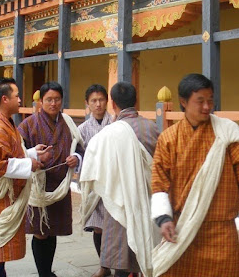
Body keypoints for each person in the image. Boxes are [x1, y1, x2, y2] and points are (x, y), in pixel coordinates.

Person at [151, 73, 239, 277]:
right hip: (183, 228)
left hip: (220, 231)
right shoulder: (168, 139)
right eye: (200, 101)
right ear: (183, 102)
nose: (207, 106)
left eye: (210, 100)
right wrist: (163, 218)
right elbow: (159, 183)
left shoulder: (226, 133)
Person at [0, 77, 52, 277]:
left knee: (0, 250)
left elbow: (12, 154)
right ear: (5, 99)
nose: (20, 100)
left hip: (6, 196)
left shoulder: (5, 122)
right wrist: (30, 164)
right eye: (16, 96)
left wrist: (32, 153)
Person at [80, 82, 160, 277]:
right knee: (147, 246)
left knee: (120, 257)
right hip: (148, 199)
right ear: (136, 101)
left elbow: (94, 169)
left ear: (113, 103)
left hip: (119, 201)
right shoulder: (152, 128)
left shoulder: (109, 133)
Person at [18, 82, 85, 277]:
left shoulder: (68, 123)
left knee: (52, 228)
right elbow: (18, 151)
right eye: (49, 100)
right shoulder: (29, 124)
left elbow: (80, 148)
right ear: (41, 101)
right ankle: (44, 273)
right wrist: (35, 157)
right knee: (40, 230)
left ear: (62, 101)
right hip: (38, 186)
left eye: (57, 99)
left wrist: (76, 158)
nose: (53, 103)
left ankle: (47, 271)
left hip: (60, 185)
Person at [78, 84, 114, 277]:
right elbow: (79, 154)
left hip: (113, 182)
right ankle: (104, 266)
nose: (98, 104)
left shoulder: (115, 124)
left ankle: (121, 264)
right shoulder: (82, 129)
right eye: (94, 101)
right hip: (94, 184)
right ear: (87, 103)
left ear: (107, 101)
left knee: (116, 226)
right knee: (98, 228)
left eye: (101, 100)